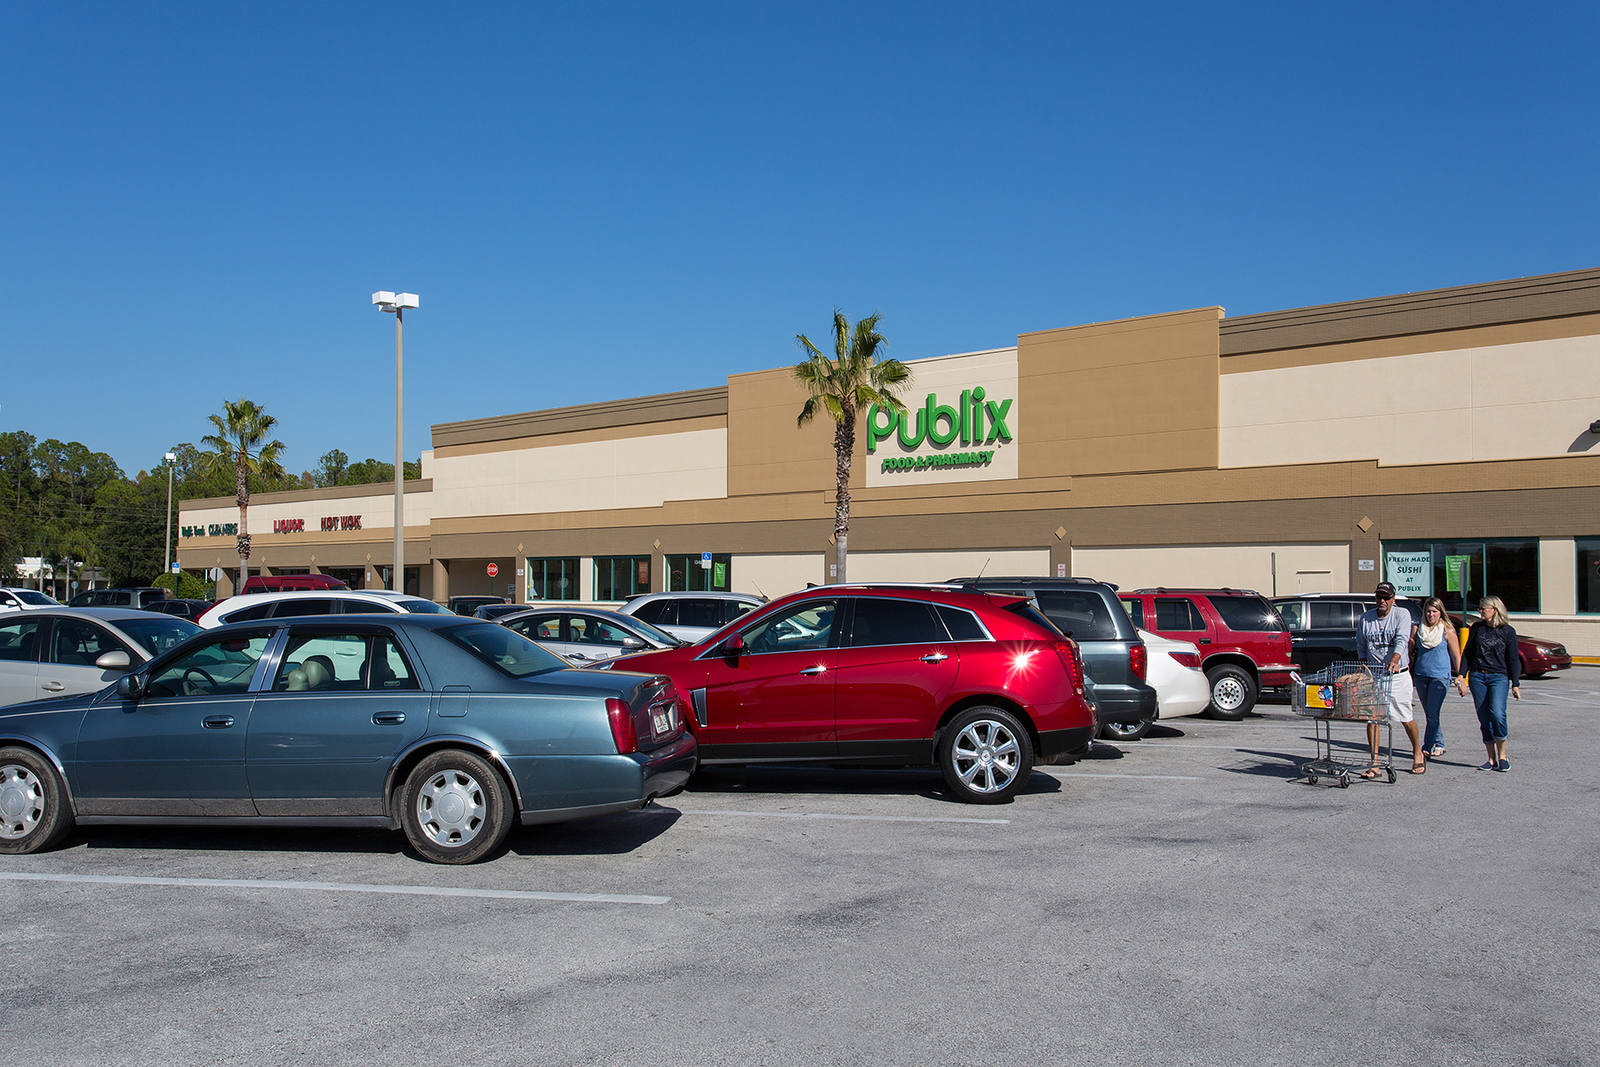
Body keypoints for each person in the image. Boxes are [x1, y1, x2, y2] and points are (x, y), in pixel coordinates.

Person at [1356, 582, 1422, 777]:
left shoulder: (1401, 614)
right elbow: (1361, 643)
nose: (1382, 601)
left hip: (1397, 674)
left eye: (1386, 597)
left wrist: (1395, 659)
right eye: (1379, 597)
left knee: (1405, 717)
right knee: (1372, 718)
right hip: (1375, 675)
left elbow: (1402, 640)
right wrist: (1362, 664)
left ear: (1393, 598)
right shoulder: (1366, 618)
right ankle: (1374, 763)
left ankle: (1417, 752)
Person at [1462, 594, 1521, 771]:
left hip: (1498, 677)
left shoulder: (1507, 631)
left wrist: (1515, 683)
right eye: (1479, 608)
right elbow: (1467, 653)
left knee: (1497, 713)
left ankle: (1503, 755)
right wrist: (1461, 675)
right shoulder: (1477, 628)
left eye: (1483, 609)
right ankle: (1491, 758)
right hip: (1478, 676)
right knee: (1484, 718)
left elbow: (1513, 659)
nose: (1480, 611)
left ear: (1494, 610)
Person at [1412, 596, 1463, 759]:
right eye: (1428, 611)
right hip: (1421, 675)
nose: (1430, 615)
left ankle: (1427, 746)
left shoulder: (1447, 630)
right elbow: (1410, 651)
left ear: (1441, 613)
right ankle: (1439, 743)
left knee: (1433, 712)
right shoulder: (1418, 629)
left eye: (1434, 611)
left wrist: (1461, 678)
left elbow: (1456, 656)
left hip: (1440, 677)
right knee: (1430, 713)